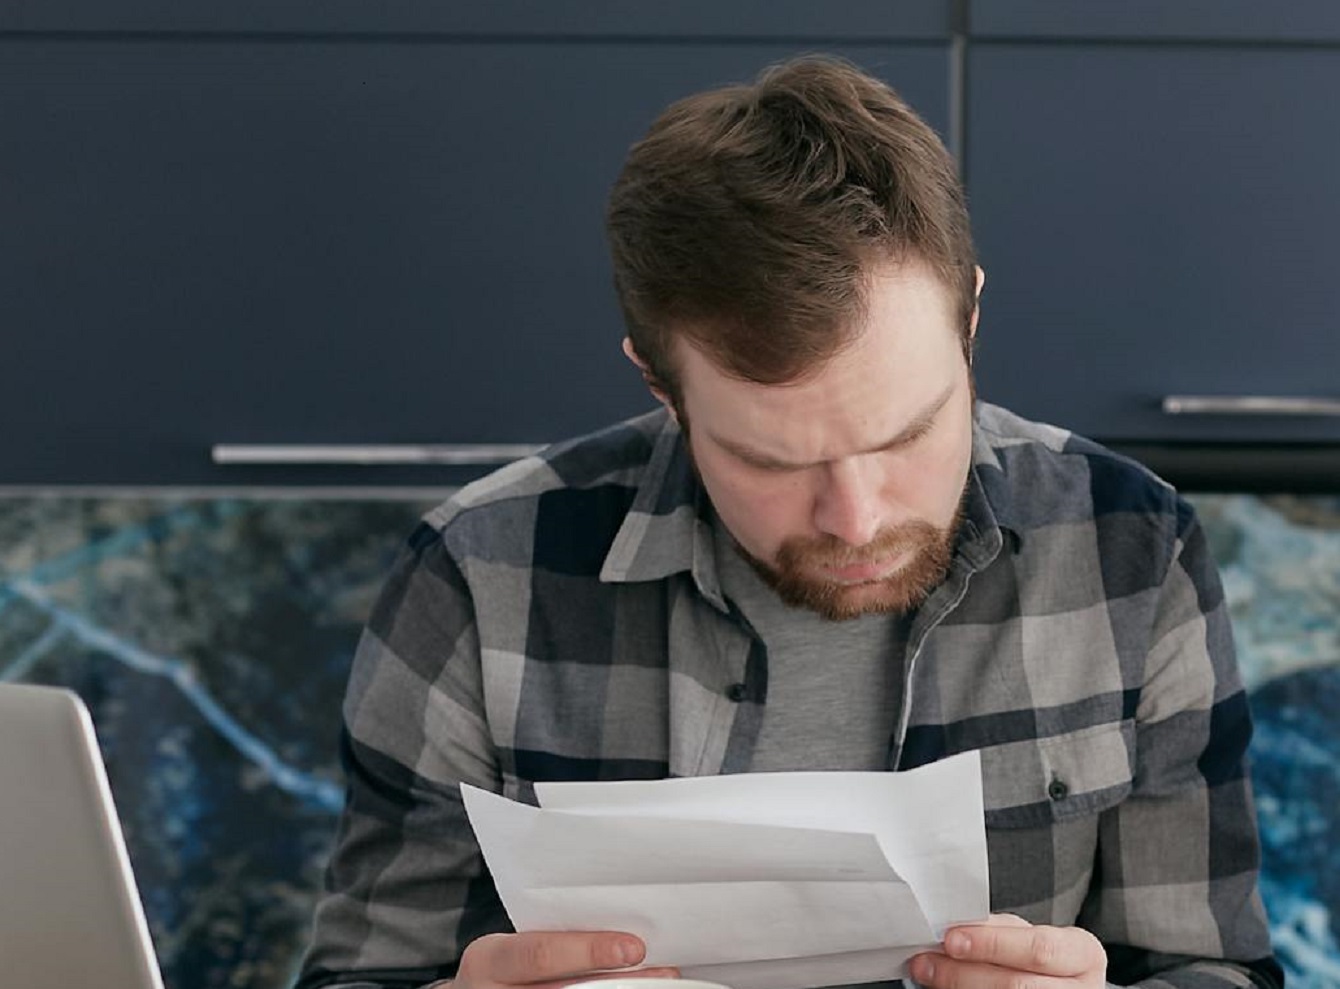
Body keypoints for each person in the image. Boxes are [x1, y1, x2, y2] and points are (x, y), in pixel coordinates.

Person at [297, 56, 1282, 989]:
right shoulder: (475, 576)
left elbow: (1212, 966)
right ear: (659, 382)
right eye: (770, 460)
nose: (856, 518)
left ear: (970, 318)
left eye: (909, 433)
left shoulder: (1131, 551)